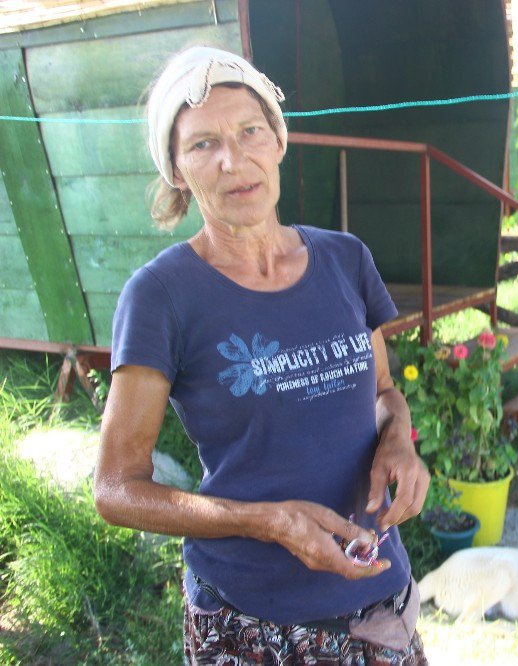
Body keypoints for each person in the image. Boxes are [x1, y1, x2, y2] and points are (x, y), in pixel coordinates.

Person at [93, 45, 430, 664]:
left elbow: (383, 393)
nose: (233, 160)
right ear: (175, 168)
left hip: (379, 599)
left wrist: (400, 442)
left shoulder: (345, 259)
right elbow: (117, 488)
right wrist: (266, 521)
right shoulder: (162, 295)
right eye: (201, 144)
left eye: (250, 131)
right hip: (249, 621)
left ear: (278, 139)